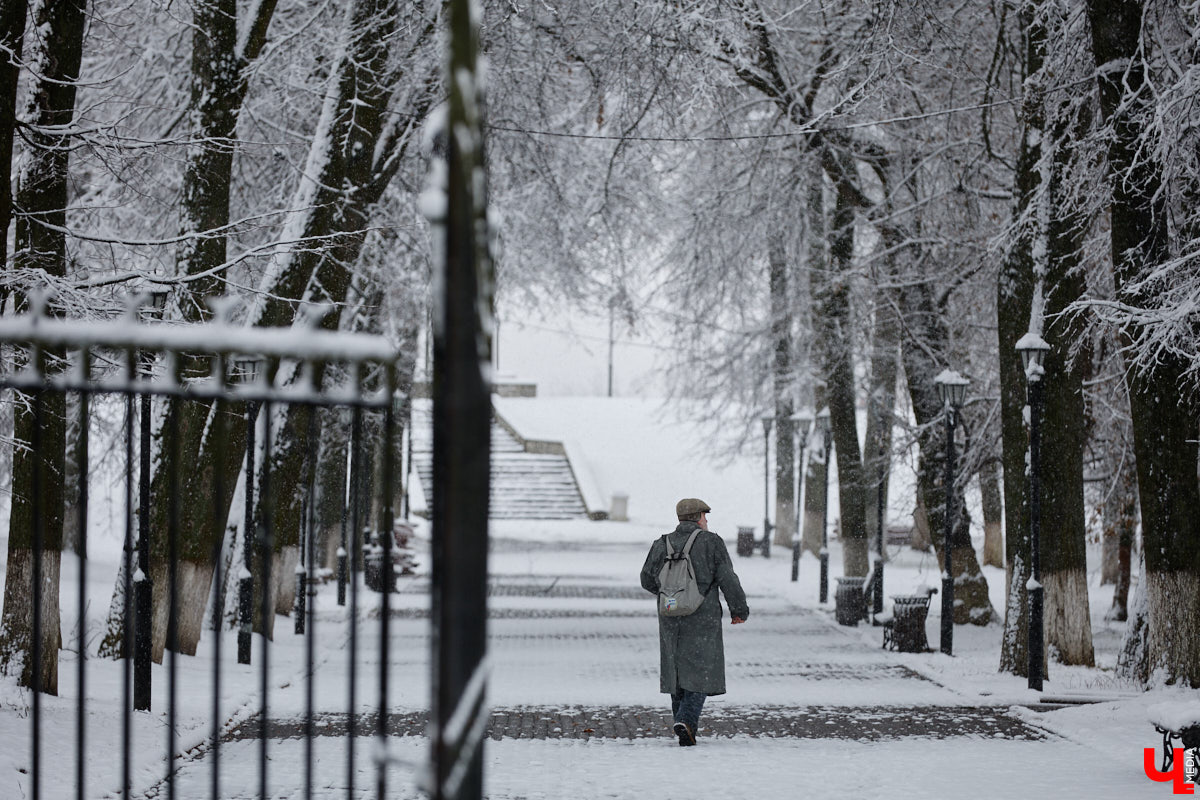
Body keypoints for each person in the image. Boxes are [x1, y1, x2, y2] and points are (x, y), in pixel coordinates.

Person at [640, 497, 749, 746]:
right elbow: (727, 577)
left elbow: (647, 578)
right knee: (701, 669)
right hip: (702, 616)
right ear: (698, 517)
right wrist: (739, 609)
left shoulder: (662, 543)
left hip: (670, 616)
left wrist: (671, 593)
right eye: (705, 516)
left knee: (676, 670)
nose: (707, 520)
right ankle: (686, 721)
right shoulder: (711, 542)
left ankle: (682, 722)